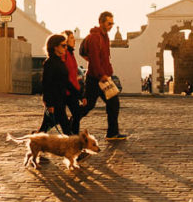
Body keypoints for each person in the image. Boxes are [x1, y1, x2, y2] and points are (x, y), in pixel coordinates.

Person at [79, 11, 127, 140]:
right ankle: (71, 125)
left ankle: (112, 133)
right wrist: (101, 74)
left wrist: (107, 72)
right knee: (89, 105)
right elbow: (94, 58)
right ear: (101, 22)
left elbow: (103, 58)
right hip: (96, 78)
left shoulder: (105, 36)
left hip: (103, 76)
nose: (111, 26)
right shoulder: (95, 37)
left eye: (112, 23)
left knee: (113, 104)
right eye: (109, 23)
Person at [37, 33, 77, 135]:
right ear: (55, 47)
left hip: (61, 99)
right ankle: (76, 148)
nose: (65, 48)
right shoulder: (50, 63)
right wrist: (49, 103)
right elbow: (46, 84)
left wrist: (78, 94)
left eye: (66, 45)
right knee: (66, 128)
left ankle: (34, 142)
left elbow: (66, 81)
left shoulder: (60, 62)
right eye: (63, 45)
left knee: (44, 128)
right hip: (55, 102)